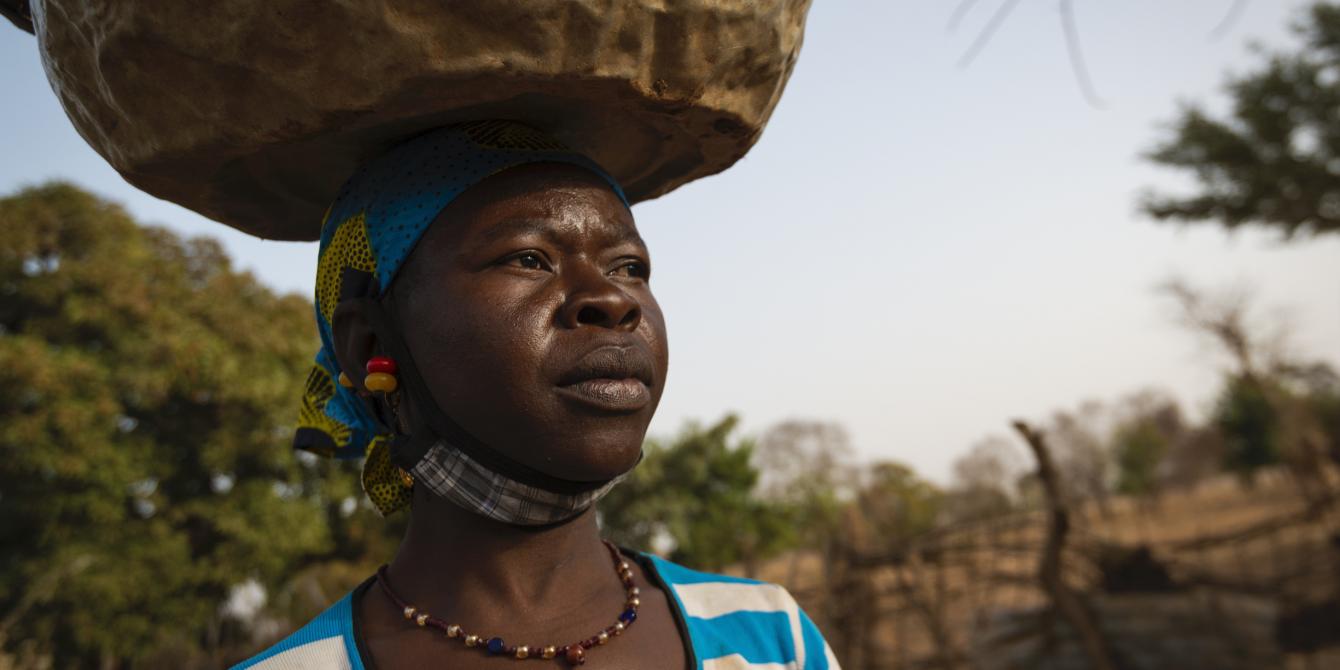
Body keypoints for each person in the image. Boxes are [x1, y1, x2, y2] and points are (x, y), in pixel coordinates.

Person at [234, 121, 840, 669]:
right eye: (529, 258)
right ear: (370, 346)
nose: (614, 299)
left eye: (629, 266)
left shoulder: (771, 639)